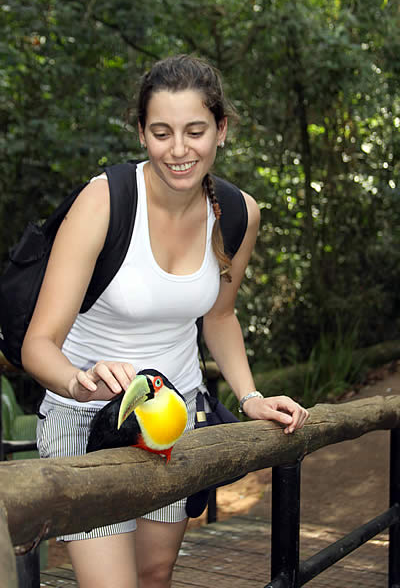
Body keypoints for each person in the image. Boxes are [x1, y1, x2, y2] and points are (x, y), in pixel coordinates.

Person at [21, 54, 309, 588]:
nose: (179, 150)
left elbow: (219, 316)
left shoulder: (238, 212)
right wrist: (76, 382)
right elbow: (38, 342)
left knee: (155, 575)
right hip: (86, 421)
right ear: (141, 134)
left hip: (170, 423)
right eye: (161, 132)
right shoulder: (105, 200)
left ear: (220, 131)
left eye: (195, 131)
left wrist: (250, 398)